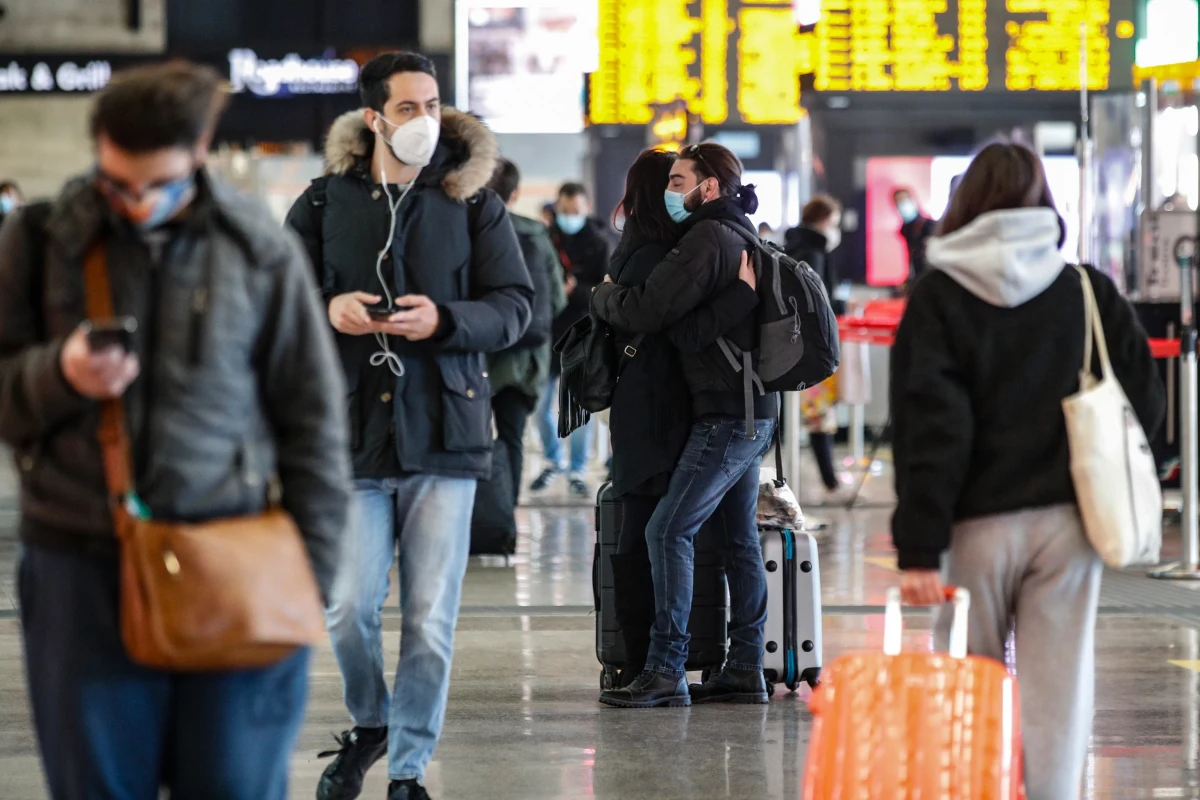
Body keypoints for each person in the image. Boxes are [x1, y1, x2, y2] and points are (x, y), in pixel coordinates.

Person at [0, 61, 351, 799]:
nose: (134, 205)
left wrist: (309, 577)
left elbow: (312, 422)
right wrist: (59, 376)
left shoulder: (257, 249)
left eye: (154, 186)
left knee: (234, 784)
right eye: (116, 183)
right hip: (81, 565)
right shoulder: (41, 243)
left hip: (231, 557)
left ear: (199, 153)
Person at [285, 52, 531, 800]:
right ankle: (372, 721)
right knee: (349, 605)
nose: (425, 119)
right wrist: (328, 309)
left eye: (432, 104)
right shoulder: (325, 202)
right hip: (351, 434)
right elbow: (274, 299)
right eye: (407, 107)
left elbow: (517, 306)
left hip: (446, 434)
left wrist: (446, 319)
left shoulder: (472, 201)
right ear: (373, 118)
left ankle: (406, 768)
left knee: (429, 618)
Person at [892, 142, 1165, 800]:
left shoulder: (939, 296)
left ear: (965, 203)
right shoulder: (1085, 288)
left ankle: (974, 789)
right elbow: (1146, 402)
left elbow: (934, 427)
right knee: (1058, 692)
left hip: (973, 528)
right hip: (1069, 522)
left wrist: (921, 545)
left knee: (969, 682)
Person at [591, 142, 777, 709]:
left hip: (724, 415)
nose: (672, 192)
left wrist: (603, 296)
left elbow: (659, 319)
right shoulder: (743, 233)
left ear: (709, 187)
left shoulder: (706, 238)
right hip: (753, 412)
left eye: (679, 181)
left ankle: (666, 669)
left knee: (667, 532)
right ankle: (747, 666)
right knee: (738, 540)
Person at [485, 157, 567, 506]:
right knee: (512, 438)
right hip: (525, 361)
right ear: (515, 193)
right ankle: (506, 518)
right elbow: (558, 299)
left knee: (467, 442)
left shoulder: (471, 230)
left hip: (475, 357)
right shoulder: (537, 234)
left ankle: (476, 521)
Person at [531, 182, 612, 498]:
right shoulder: (546, 238)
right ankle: (554, 459)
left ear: (587, 208)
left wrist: (575, 290)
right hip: (547, 333)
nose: (570, 217)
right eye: (564, 211)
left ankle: (577, 466)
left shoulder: (599, 243)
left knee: (579, 407)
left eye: (575, 211)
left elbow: (605, 292)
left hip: (583, 332)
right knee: (540, 405)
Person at [785, 195, 846, 501]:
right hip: (814, 349)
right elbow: (822, 302)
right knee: (820, 416)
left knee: (793, 418)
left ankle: (829, 481)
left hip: (791, 348)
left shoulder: (791, 245)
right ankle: (831, 482)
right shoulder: (816, 251)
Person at [892, 187, 935, 286]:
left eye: (905, 201)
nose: (903, 205)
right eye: (899, 203)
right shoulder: (905, 230)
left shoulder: (928, 225)